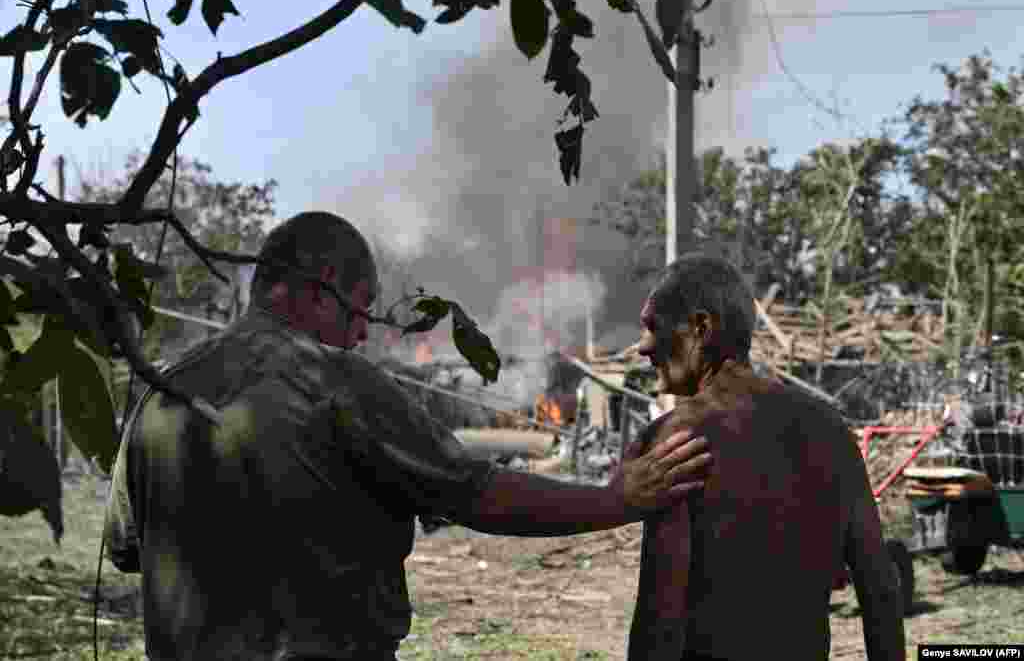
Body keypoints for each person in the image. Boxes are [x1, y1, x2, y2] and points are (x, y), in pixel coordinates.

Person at [104, 211, 713, 661]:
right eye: (360, 307)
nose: (363, 332)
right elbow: (477, 493)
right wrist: (618, 499)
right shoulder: (336, 382)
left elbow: (126, 548)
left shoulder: (163, 388)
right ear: (319, 288)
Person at [626, 254, 905, 661]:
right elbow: (879, 585)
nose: (642, 347)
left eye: (653, 326)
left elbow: (660, 611)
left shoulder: (673, 441)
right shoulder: (828, 427)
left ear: (701, 328)